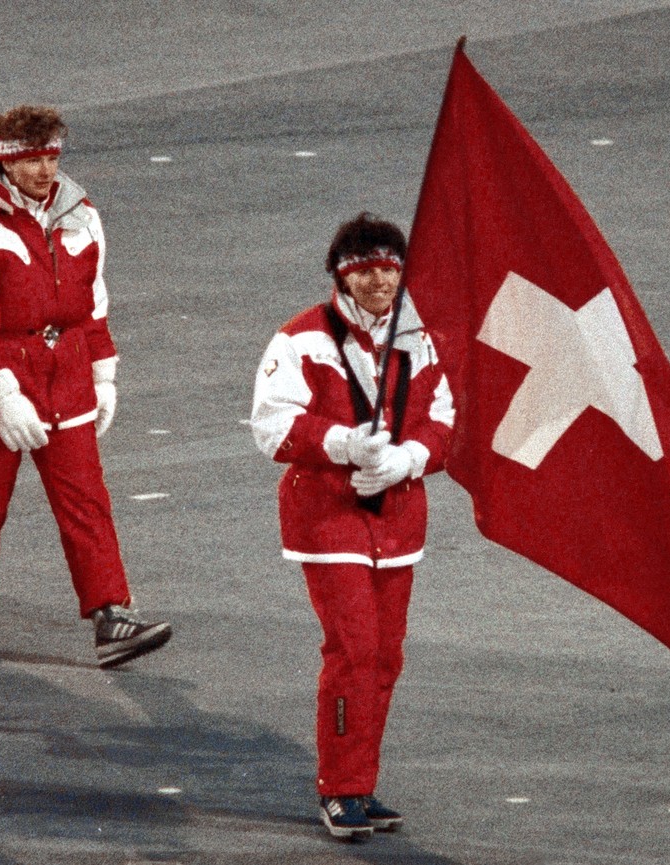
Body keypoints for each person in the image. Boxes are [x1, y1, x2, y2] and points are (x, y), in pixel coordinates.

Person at [0, 104, 171, 667]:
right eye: (30, 159)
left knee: (86, 498)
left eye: (49, 156)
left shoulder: (81, 215)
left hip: (65, 377)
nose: (44, 170)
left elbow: (93, 303)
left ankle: (110, 612)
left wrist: (102, 372)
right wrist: (3, 392)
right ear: (4, 162)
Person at [249, 213, 454, 839]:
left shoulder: (419, 339)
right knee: (354, 649)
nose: (379, 283)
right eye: (365, 272)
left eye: (390, 270)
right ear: (341, 276)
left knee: (386, 658)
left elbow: (444, 419)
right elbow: (271, 426)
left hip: (397, 517)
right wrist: (342, 443)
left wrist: (406, 459)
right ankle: (338, 789)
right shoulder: (301, 339)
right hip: (327, 517)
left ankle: (360, 784)